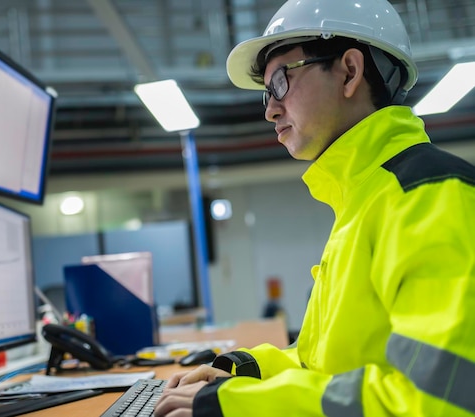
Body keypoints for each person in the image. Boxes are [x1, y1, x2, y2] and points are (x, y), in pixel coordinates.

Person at [154, 0, 475, 416]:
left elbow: (434, 402)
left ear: (349, 72)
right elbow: (324, 367)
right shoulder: (363, 201)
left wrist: (241, 407)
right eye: (266, 95)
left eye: (281, 83)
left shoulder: (429, 195)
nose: (270, 109)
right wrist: (242, 372)